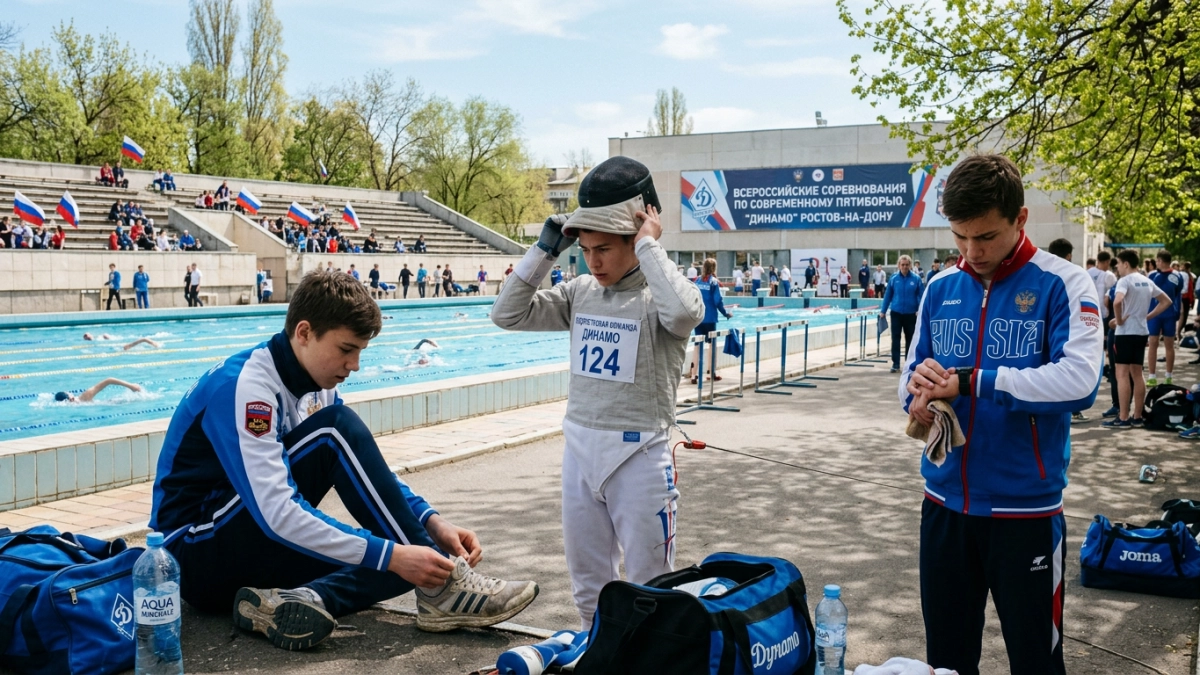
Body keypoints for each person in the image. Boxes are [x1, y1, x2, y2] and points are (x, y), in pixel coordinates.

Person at [147, 271, 539, 651]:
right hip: (192, 556)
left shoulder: (315, 385)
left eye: (360, 352)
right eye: (346, 349)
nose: (355, 366)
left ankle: (292, 601)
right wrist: (397, 552)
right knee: (384, 531)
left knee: (403, 559)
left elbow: (368, 471)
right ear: (304, 333)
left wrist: (430, 522)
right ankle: (444, 588)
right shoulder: (248, 388)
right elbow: (277, 513)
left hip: (245, 551)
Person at [901, 155, 1102, 675]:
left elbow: (1080, 382)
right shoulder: (940, 286)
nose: (972, 252)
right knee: (945, 661)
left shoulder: (1066, 283)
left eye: (985, 237)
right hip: (943, 505)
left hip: (1026, 515)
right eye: (960, 238)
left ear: (1021, 218)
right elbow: (908, 372)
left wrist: (974, 381)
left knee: (1036, 661)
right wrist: (917, 394)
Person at [491, 156, 704, 629]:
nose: (594, 260)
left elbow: (688, 314)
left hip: (641, 457)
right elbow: (506, 314)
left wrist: (651, 247)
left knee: (651, 585)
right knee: (589, 587)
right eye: (585, 249)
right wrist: (544, 250)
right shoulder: (580, 292)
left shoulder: (662, 295)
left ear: (638, 235)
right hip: (581, 453)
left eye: (605, 248)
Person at [1103, 249, 1171, 429]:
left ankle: (1123, 417)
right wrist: (1147, 317)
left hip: (1125, 333)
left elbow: (1117, 302)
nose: (1117, 267)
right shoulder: (1147, 280)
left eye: (1118, 263)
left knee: (1122, 374)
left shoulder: (1124, 281)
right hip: (1141, 332)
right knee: (1138, 373)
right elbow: (1167, 301)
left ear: (1126, 263)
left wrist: (1117, 321)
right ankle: (1137, 416)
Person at [688, 258, 733, 382]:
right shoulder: (713, 282)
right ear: (714, 269)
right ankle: (711, 372)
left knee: (697, 345)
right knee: (711, 345)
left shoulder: (696, 281)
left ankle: (693, 374)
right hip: (710, 318)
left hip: (698, 318)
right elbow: (717, 300)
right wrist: (726, 314)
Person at [1089, 252, 1120, 418]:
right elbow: (1110, 299)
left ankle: (1094, 373)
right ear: (1107, 261)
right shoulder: (1109, 276)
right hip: (1105, 316)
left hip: (1088, 316)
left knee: (1092, 348)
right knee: (1108, 349)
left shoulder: (1087, 273)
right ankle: (1104, 370)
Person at [1146, 250, 1184, 386]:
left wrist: (1177, 312)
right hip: (1154, 315)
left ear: (1161, 261)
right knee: (1153, 343)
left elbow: (1178, 295)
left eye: (1157, 260)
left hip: (1169, 315)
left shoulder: (1177, 276)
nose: (1156, 263)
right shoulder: (1152, 276)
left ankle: (1168, 376)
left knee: (1169, 345)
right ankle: (1152, 375)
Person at [881, 256, 922, 373]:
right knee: (895, 338)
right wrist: (883, 311)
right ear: (899, 265)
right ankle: (896, 363)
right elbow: (888, 296)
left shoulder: (916, 279)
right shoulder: (894, 279)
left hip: (911, 314)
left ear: (910, 265)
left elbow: (921, 296)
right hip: (896, 313)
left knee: (910, 339)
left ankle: (908, 364)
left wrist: (920, 310)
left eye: (906, 265)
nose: (904, 267)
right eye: (902, 265)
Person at [54, 378, 142, 403]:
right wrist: (131, 386)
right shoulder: (85, 396)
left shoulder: (83, 398)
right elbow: (109, 380)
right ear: (71, 398)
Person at [1179, 261, 1195, 337]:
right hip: (1186, 298)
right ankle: (1178, 332)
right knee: (1184, 316)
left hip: (1185, 297)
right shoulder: (1188, 275)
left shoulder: (1187, 275)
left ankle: (1178, 332)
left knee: (1183, 316)